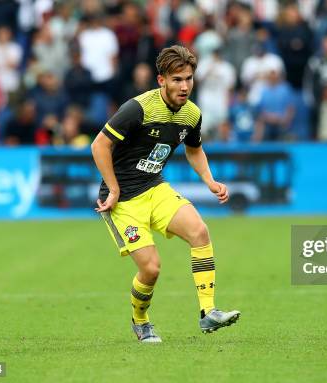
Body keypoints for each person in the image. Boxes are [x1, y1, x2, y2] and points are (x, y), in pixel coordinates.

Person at [91, 45, 240, 343]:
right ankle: (141, 320)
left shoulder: (191, 114)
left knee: (199, 231)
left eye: (188, 79)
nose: (184, 86)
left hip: (154, 188)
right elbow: (99, 145)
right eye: (177, 80)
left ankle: (208, 312)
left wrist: (210, 181)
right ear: (161, 80)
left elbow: (194, 149)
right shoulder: (138, 109)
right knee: (151, 269)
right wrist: (114, 187)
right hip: (122, 201)